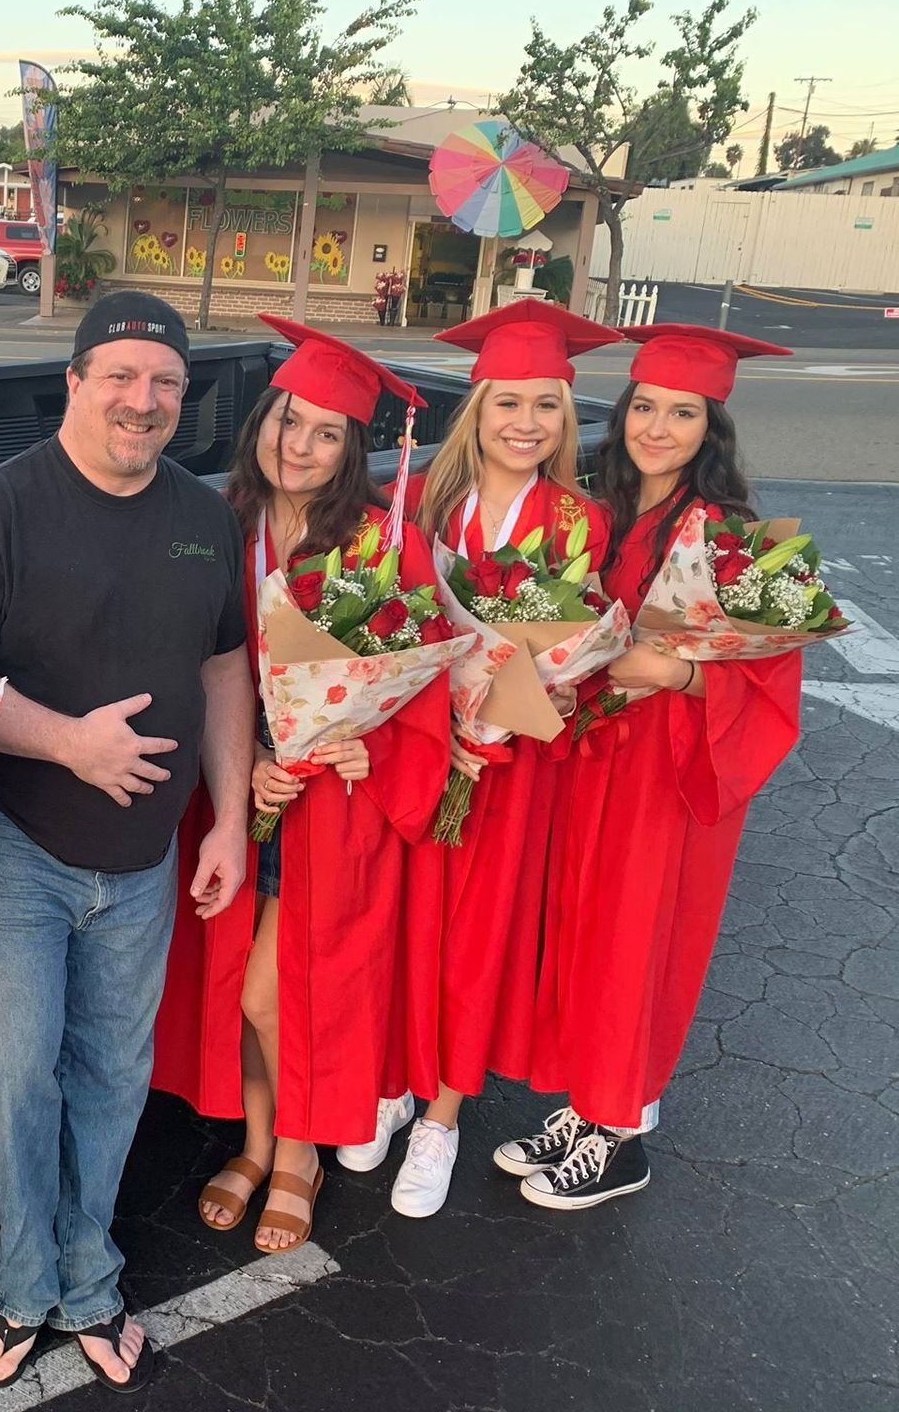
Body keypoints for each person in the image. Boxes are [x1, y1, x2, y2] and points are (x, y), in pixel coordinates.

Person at [0, 291, 254, 1393]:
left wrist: (230, 819)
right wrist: (65, 744)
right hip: (3, 839)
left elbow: (224, 667)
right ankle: (18, 1277)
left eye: (165, 386)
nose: (142, 403)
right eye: (121, 378)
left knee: (110, 1071)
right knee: (15, 1076)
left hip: (143, 858)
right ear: (75, 382)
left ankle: (89, 1267)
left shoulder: (204, 516)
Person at [155, 315, 449, 1253]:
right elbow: (183, 658)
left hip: (333, 811)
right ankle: (257, 1140)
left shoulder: (380, 542)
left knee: (275, 991)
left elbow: (421, 676)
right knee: (240, 978)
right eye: (289, 421)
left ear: (351, 448)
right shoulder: (215, 524)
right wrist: (244, 769)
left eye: (328, 432)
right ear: (261, 423)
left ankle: (297, 1154)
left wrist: (368, 750)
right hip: (236, 794)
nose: (302, 445)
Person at [337, 301, 620, 1218]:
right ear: (479, 408)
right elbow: (388, 627)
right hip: (420, 751)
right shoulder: (417, 502)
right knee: (403, 924)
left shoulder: (580, 522)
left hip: (509, 766)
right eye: (508, 403)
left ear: (566, 418)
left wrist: (514, 709)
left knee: (474, 939)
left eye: (547, 406)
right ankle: (391, 1083)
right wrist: (434, 719)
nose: (526, 423)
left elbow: (564, 653)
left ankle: (444, 1117)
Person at [513, 325, 800, 1210]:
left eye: (683, 412)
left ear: (709, 427)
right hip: (592, 761)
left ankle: (625, 1130)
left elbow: (772, 670)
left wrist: (672, 670)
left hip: (670, 775)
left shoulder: (732, 532)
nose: (658, 427)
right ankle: (588, 1105)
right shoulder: (601, 513)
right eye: (645, 406)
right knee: (583, 933)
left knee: (639, 942)